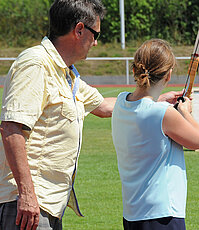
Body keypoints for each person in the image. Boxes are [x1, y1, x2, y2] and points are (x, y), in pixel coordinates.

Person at [0, 1, 181, 230]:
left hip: (48, 203)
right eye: (95, 34)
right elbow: (12, 129)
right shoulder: (36, 64)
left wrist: (158, 99)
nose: (96, 43)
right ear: (79, 30)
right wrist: (26, 194)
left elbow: (104, 107)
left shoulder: (67, 74)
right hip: (26, 203)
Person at [112, 39, 199, 230]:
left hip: (132, 214)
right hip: (163, 215)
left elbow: (142, 108)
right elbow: (198, 140)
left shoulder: (121, 103)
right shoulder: (161, 113)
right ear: (168, 74)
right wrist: (185, 111)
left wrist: (162, 100)